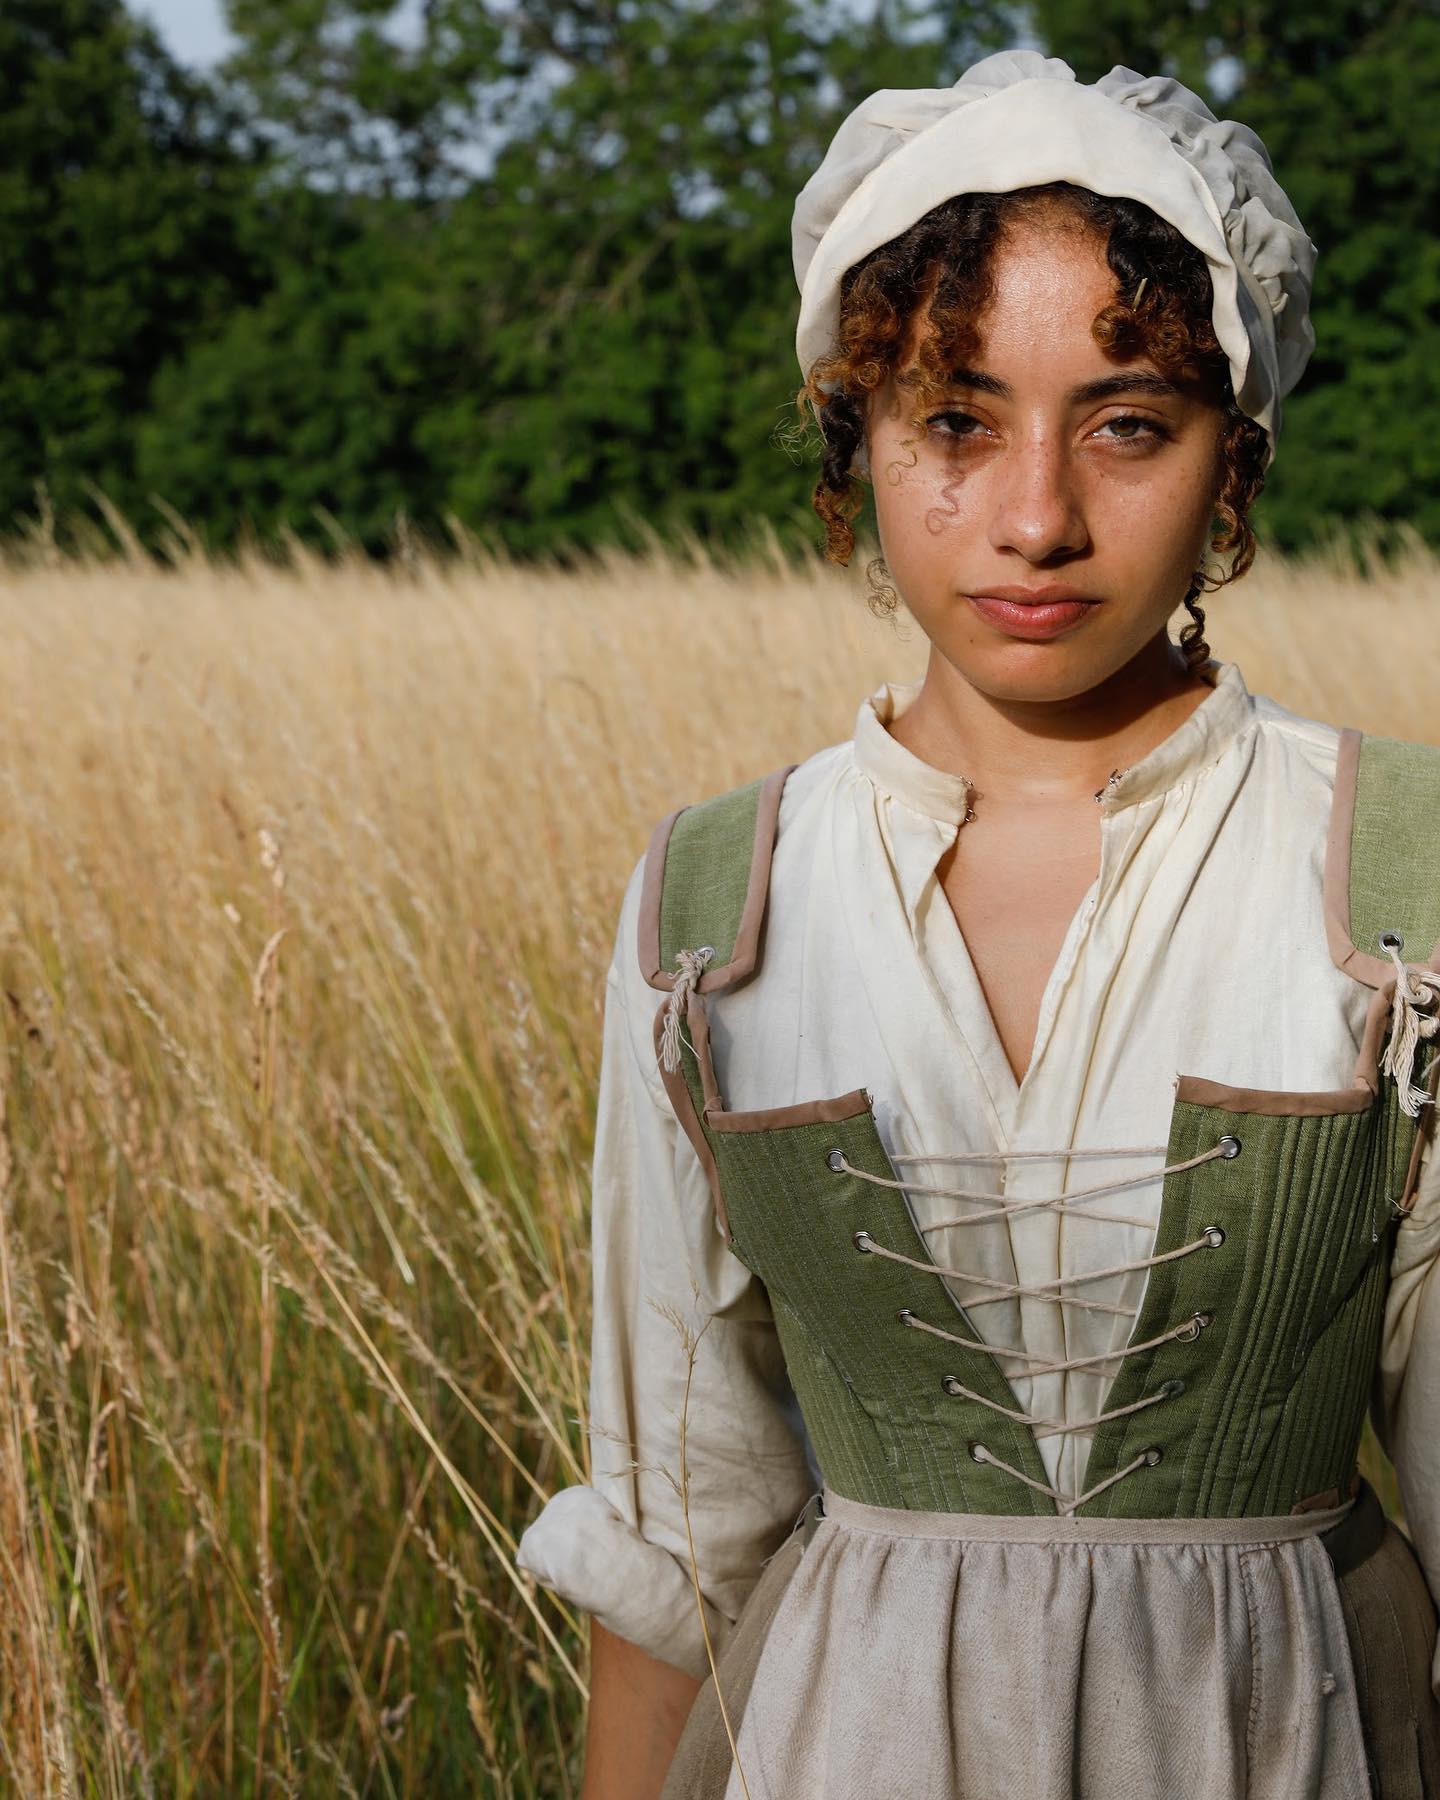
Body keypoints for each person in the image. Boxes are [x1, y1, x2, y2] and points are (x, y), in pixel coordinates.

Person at [517, 48, 1440, 1799]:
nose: (1036, 518)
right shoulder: (719, 905)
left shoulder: (1397, 877)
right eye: (955, 420)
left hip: (1285, 1742)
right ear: (854, 435)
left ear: (1233, 455)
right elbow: (680, 1526)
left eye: (1127, 423)